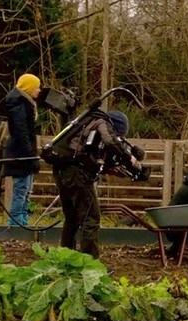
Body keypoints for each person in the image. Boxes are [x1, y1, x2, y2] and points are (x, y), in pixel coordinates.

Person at [47, 109, 146, 258]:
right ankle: (90, 263)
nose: (119, 138)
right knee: (91, 219)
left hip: (62, 171)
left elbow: (93, 159)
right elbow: (110, 141)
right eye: (119, 135)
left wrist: (112, 169)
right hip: (77, 174)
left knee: (72, 218)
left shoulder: (88, 128)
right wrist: (129, 158)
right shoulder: (102, 123)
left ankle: (65, 257)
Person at [3, 73, 42, 227]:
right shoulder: (20, 105)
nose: (39, 90)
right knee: (21, 189)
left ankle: (22, 221)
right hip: (21, 154)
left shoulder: (25, 104)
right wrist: (30, 155)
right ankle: (16, 222)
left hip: (26, 152)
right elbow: (22, 132)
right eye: (37, 87)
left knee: (27, 190)